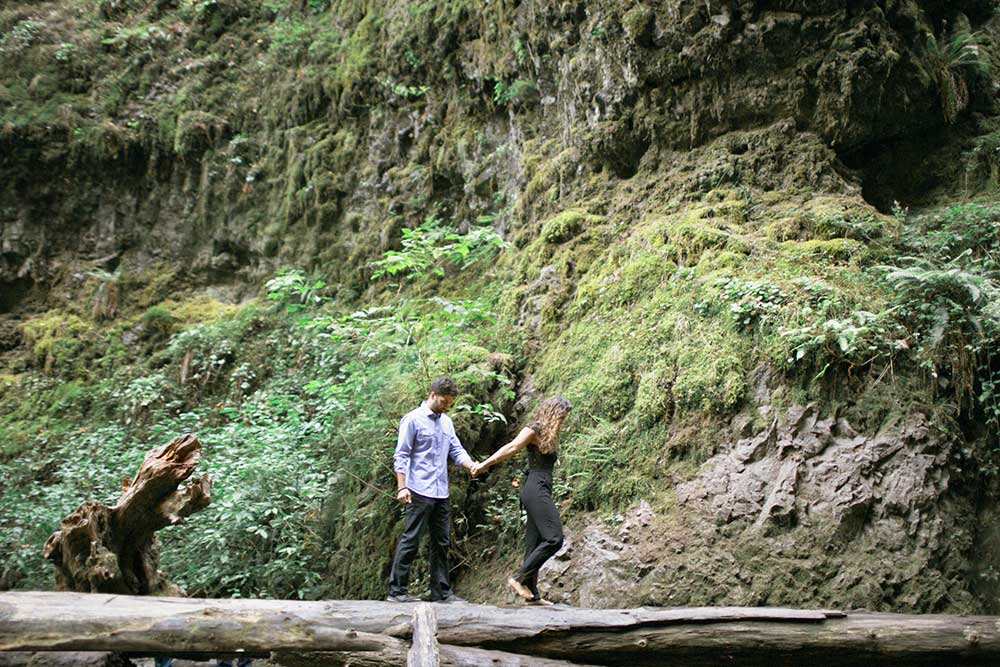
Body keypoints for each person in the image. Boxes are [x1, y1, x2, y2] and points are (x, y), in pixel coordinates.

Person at [471, 396, 572, 605]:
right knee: (554, 539)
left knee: (533, 544)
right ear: (551, 412)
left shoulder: (549, 434)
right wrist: (484, 465)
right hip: (535, 489)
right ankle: (518, 578)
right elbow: (512, 447)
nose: (562, 421)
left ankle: (532, 594)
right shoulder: (534, 429)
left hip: (541, 488)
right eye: (561, 416)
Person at [387, 376, 476, 603]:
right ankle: (397, 592)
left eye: (450, 403)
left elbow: (456, 449)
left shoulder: (446, 422)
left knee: (442, 541)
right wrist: (402, 487)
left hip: (440, 491)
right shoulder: (413, 420)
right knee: (412, 539)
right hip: (417, 489)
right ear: (433, 395)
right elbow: (402, 455)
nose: (447, 406)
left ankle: (441, 593)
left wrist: (471, 465)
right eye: (444, 401)